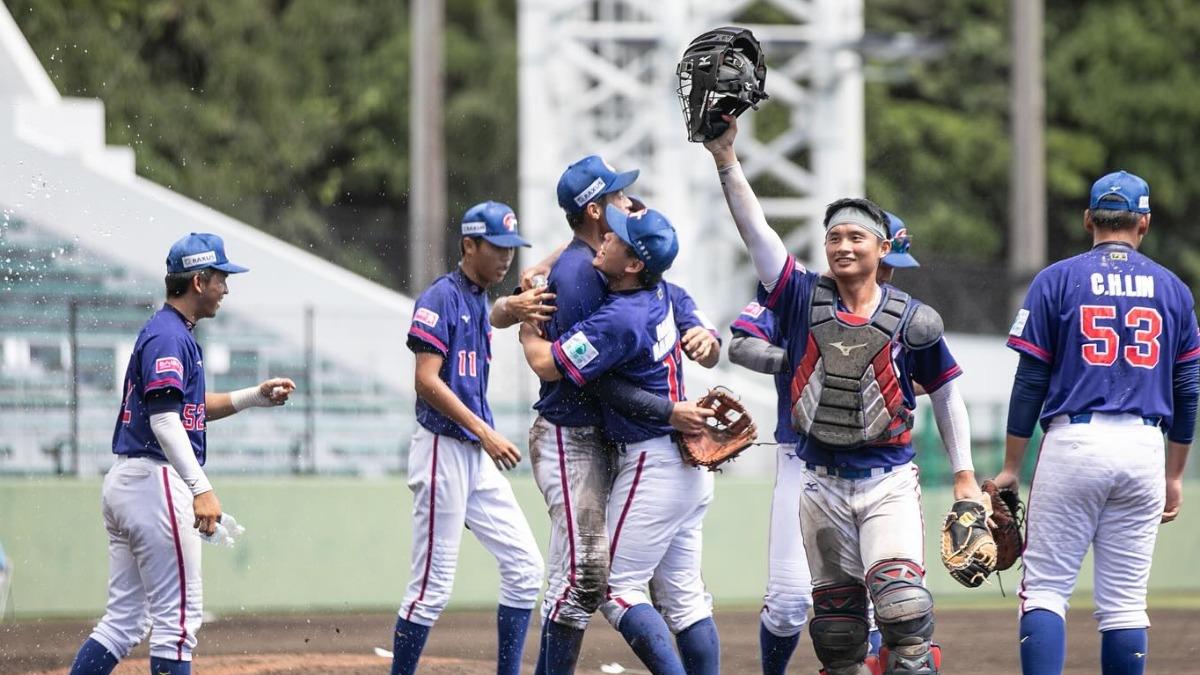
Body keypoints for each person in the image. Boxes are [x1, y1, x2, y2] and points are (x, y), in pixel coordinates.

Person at [704, 116, 983, 675]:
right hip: (820, 481)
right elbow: (756, 231)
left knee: (903, 612)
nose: (843, 246)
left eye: (856, 237)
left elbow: (947, 395)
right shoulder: (798, 296)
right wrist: (726, 159)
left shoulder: (914, 320)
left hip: (887, 481)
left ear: (882, 248)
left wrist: (964, 475)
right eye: (834, 237)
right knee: (837, 633)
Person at [492, 156, 717, 675]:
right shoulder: (582, 275)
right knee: (589, 580)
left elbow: (656, 265)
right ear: (595, 211)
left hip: (628, 444)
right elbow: (558, 370)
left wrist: (702, 328)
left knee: (600, 583)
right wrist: (522, 319)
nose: (627, 202)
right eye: (615, 196)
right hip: (574, 436)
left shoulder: (616, 263)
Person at [995, 170, 1198, 675]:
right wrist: (1174, 474)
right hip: (1145, 446)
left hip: (1075, 441)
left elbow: (1030, 382)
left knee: (1046, 590)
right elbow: (1189, 390)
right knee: (1125, 602)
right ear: (1143, 223)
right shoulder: (1174, 290)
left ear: (1089, 219)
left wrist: (1011, 468)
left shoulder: (1056, 279)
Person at [68, 233, 296, 675]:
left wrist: (255, 396)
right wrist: (201, 489)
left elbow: (186, 408)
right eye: (220, 278)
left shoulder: (168, 332)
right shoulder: (169, 336)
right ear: (198, 281)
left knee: (123, 622)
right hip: (154, 482)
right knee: (177, 623)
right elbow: (165, 421)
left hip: (131, 480)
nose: (225, 288)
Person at [729, 212, 918, 674]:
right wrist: (800, 360)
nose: (888, 274)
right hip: (803, 457)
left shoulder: (898, 312)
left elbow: (930, 381)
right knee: (789, 601)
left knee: (883, 598)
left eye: (892, 265)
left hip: (876, 467)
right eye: (887, 263)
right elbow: (740, 344)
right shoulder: (799, 295)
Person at [391, 201, 545, 675]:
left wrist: (511, 307)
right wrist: (485, 431)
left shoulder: (478, 297)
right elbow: (425, 380)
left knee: (526, 568)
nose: (506, 257)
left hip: (473, 455)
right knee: (431, 589)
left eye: (511, 249)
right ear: (469, 245)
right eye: (497, 248)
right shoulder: (439, 297)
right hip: (442, 450)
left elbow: (497, 311)